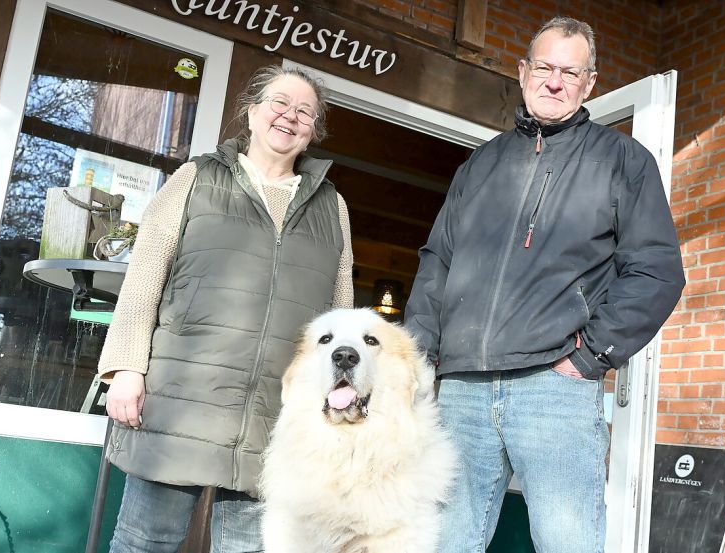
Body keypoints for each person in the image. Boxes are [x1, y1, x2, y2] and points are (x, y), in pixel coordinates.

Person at [404, 16, 685, 553]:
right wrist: (423, 358)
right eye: (545, 67)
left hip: (553, 388)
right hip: (463, 389)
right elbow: (437, 261)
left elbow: (656, 271)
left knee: (568, 544)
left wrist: (589, 356)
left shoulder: (621, 161)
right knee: (445, 542)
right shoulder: (479, 165)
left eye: (570, 72)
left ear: (590, 83)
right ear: (523, 71)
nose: (555, 82)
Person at [98, 65, 354, 552]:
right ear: (253, 112)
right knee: (143, 543)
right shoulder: (195, 178)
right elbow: (144, 277)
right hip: (180, 404)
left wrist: (335, 401)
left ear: (313, 131)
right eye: (280, 103)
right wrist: (126, 368)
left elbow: (339, 320)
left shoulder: (331, 206)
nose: (290, 117)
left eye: (305, 111)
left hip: (275, 420)